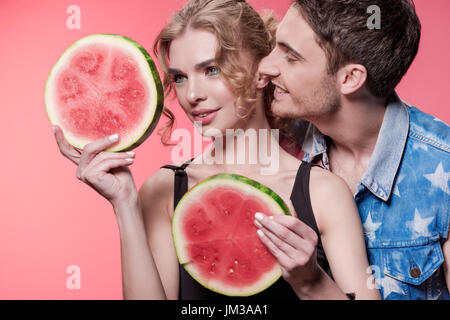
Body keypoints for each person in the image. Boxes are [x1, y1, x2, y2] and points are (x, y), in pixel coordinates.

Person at [53, 0, 379, 300]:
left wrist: (311, 282)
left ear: (261, 71)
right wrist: (124, 203)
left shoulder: (323, 192)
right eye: (179, 77)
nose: (192, 94)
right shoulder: (164, 190)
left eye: (211, 70)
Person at [259, 0, 450, 300]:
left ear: (350, 78)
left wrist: (312, 283)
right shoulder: (272, 142)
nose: (266, 66)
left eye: (291, 57)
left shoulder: (444, 173)